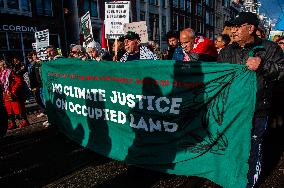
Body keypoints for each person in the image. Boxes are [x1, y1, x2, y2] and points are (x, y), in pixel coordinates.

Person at [217, 12, 284, 188]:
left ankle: (249, 184)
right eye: (232, 27)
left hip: (258, 110)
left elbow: (282, 72)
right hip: (232, 111)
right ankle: (230, 179)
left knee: (253, 148)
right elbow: (218, 80)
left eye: (237, 27)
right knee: (232, 147)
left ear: (251, 28)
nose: (233, 31)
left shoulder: (269, 49)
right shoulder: (225, 52)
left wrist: (263, 65)